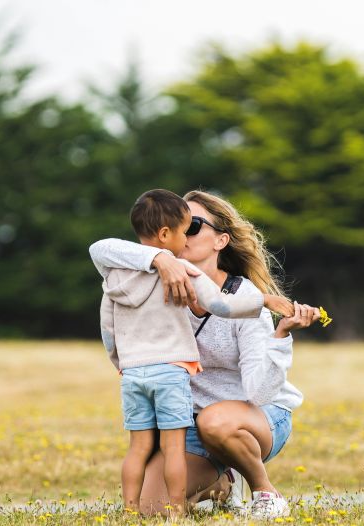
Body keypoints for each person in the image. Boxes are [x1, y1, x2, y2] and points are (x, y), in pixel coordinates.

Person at [89, 189, 321, 518]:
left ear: (221, 241)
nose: (183, 232)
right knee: (150, 508)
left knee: (216, 421)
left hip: (256, 418)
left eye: (193, 225)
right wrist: (160, 259)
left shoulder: (243, 298)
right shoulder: (155, 280)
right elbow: (100, 250)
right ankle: (221, 485)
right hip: (191, 422)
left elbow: (259, 392)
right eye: (177, 223)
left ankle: (263, 491)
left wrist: (280, 336)